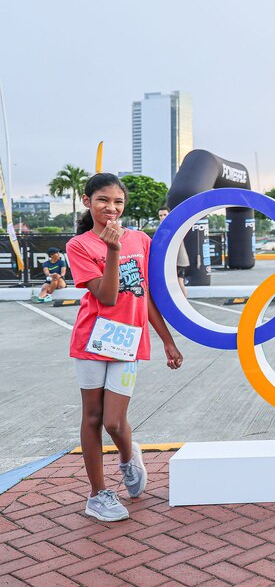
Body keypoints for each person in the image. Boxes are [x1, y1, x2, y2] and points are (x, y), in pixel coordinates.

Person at [66, 173, 183, 522]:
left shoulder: (140, 240)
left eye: (118, 201)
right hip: (91, 341)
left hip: (127, 342)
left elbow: (143, 295)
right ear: (88, 202)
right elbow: (106, 295)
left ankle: (129, 460)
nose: (111, 208)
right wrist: (113, 250)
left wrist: (167, 340)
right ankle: (98, 493)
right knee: (93, 417)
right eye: (103, 200)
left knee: (115, 422)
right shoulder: (80, 245)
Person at [157, 205, 189, 296]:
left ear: (169, 215)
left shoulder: (171, 227)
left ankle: (184, 301)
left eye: (164, 215)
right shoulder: (164, 228)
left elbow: (164, 243)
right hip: (174, 260)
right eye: (160, 215)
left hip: (178, 260)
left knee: (179, 282)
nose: (162, 217)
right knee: (177, 282)